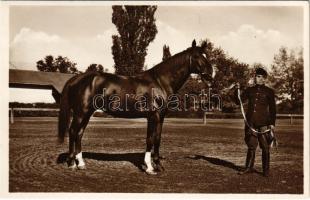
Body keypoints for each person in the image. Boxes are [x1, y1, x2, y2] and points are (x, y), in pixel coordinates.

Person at [235, 67, 276, 177]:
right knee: (251, 146)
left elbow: (273, 109)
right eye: (255, 76)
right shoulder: (249, 90)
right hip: (251, 123)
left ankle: (266, 171)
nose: (256, 78)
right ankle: (249, 168)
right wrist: (237, 90)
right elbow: (238, 101)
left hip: (264, 124)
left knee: (265, 147)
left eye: (258, 76)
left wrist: (272, 123)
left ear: (264, 78)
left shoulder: (269, 92)